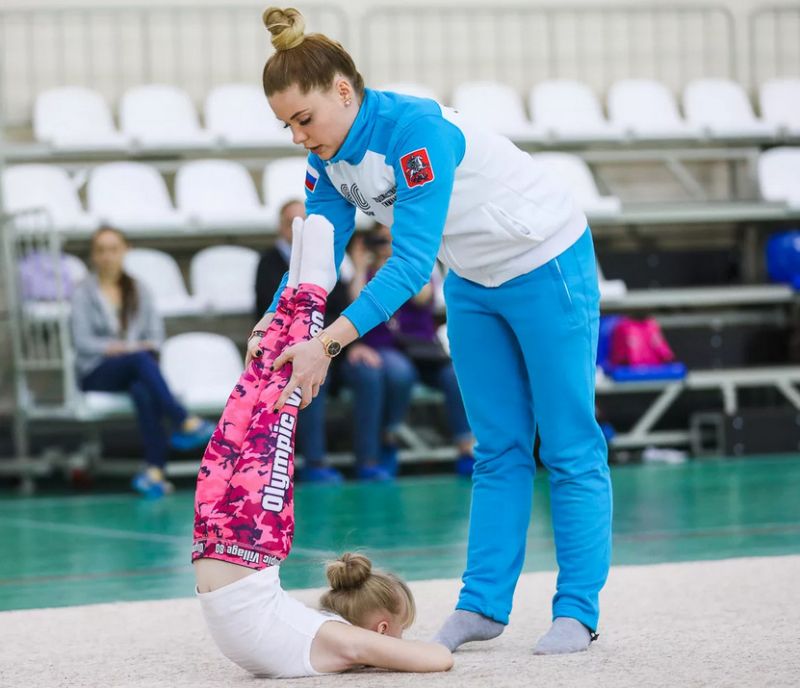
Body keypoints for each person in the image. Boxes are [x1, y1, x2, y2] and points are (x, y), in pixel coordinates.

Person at [252, 6, 613, 656]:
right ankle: (482, 605)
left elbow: (411, 263)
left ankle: (578, 610)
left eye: (304, 119)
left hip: (548, 263)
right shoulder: (328, 159)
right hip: (474, 279)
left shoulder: (414, 131)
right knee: (497, 447)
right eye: (286, 125)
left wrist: (328, 343)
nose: (299, 136)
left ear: (343, 90)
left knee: (567, 444)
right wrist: (276, 325)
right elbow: (317, 253)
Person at [192, 215, 453, 678]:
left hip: (237, 540)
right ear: (382, 626)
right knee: (273, 404)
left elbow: (435, 657)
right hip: (242, 543)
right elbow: (438, 659)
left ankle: (301, 285)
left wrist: (376, 643)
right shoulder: (339, 639)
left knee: (258, 397)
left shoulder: (340, 637)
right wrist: (381, 646)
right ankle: (310, 286)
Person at [70, 226, 214, 497]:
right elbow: (83, 343)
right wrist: (124, 348)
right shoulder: (83, 293)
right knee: (138, 359)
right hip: (96, 370)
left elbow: (156, 337)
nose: (107, 256)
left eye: (113, 249)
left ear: (125, 251)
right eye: (101, 250)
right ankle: (183, 419)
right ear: (93, 256)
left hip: (134, 368)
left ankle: (154, 472)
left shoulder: (139, 288)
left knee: (142, 388)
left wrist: (135, 349)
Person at [342, 223, 474, 479]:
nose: (386, 245)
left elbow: (422, 297)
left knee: (454, 375)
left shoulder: (415, 265)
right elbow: (356, 305)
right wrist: (361, 266)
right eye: (380, 240)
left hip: (421, 348)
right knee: (399, 372)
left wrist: (399, 261)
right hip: (383, 347)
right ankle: (389, 435)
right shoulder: (364, 272)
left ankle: (466, 446)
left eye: (390, 239)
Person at [255, 198, 350, 483]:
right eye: (289, 222)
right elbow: (268, 306)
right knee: (306, 380)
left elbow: (342, 303)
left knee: (374, 374)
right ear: (281, 227)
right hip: (285, 347)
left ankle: (372, 456)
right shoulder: (268, 261)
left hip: (333, 345)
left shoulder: (328, 257)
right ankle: (314, 460)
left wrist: (327, 342)